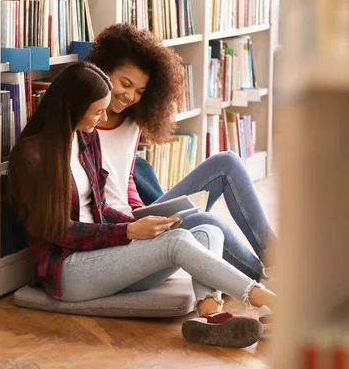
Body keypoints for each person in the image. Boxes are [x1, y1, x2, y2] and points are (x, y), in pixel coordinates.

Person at [7, 61, 275, 349]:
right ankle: (271, 302)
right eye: (97, 111)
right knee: (179, 242)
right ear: (73, 107)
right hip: (69, 270)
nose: (101, 118)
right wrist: (127, 233)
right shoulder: (32, 156)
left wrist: (139, 225)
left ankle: (209, 316)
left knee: (209, 232)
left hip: (104, 255)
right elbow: (56, 230)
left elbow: (99, 206)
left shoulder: (86, 138)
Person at [85, 23, 277, 282]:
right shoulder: (82, 124)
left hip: (138, 220)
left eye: (140, 91)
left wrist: (144, 212)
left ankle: (277, 263)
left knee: (227, 163)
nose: (129, 96)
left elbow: (124, 180)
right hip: (117, 235)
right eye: (125, 84)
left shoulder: (132, 123)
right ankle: (271, 283)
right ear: (103, 70)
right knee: (210, 223)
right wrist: (132, 224)